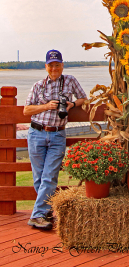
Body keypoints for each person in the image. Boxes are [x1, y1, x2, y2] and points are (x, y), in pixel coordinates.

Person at [23, 50, 87, 230]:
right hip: (36, 133)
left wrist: (71, 104)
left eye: (57, 64)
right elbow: (26, 111)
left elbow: (84, 98)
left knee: (49, 176)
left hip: (58, 134)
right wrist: (46, 106)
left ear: (62, 65)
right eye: (50, 65)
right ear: (46, 66)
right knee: (39, 178)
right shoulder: (38, 86)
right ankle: (45, 212)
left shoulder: (70, 81)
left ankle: (37, 216)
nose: (54, 68)